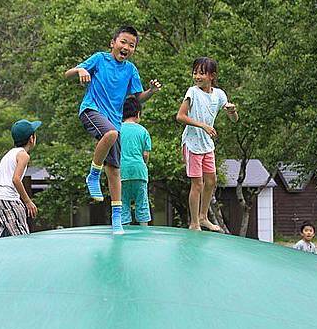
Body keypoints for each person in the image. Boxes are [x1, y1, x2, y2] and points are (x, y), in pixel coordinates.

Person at [64, 26, 161, 234]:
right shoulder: (99, 59)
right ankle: (92, 175)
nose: (126, 47)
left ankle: (117, 219)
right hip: (92, 109)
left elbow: (137, 98)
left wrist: (151, 91)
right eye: (123, 42)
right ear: (113, 43)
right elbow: (67, 74)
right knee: (111, 134)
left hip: (114, 121)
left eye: (131, 45)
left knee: (115, 170)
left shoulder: (130, 70)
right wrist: (80, 69)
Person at [176, 57, 238, 231]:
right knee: (197, 184)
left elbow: (234, 119)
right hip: (192, 143)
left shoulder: (219, 94)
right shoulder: (192, 92)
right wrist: (202, 125)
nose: (197, 76)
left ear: (212, 76)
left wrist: (233, 112)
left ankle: (203, 217)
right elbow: (180, 116)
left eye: (201, 73)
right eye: (195, 72)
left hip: (207, 145)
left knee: (211, 181)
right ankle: (194, 223)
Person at [0, 119, 40, 239]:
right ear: (31, 138)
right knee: (22, 237)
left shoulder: (8, 154)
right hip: (8, 199)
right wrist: (27, 201)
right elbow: (16, 179)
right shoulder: (23, 155)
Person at [120, 96, 152, 226]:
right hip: (139, 172)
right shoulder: (143, 131)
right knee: (142, 203)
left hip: (122, 173)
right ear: (138, 113)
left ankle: (123, 233)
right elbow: (145, 154)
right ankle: (144, 232)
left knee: (122, 203)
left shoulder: (117, 130)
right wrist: (144, 164)